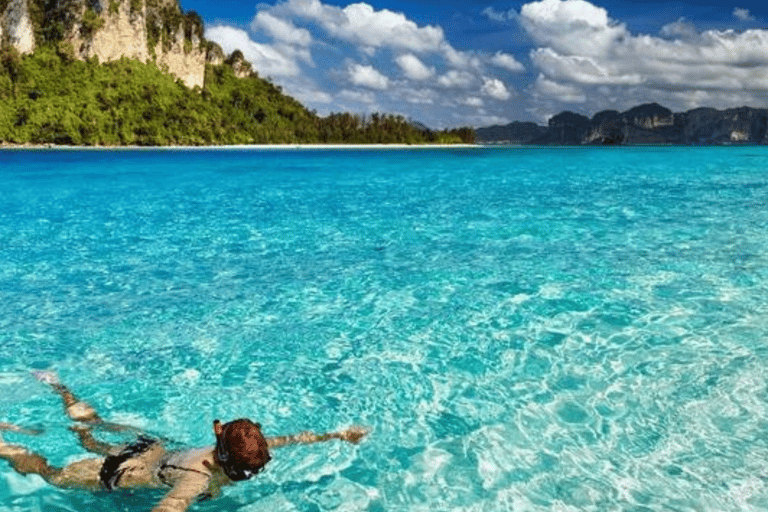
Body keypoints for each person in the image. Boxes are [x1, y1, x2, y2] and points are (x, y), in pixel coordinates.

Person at [0, 371, 368, 512]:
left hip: (152, 447)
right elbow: (170, 507)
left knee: (93, 428)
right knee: (53, 475)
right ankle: (6, 446)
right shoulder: (197, 477)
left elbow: (294, 439)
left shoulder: (245, 446)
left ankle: (58, 384)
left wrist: (337, 434)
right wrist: (338, 434)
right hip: (126, 471)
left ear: (217, 432)